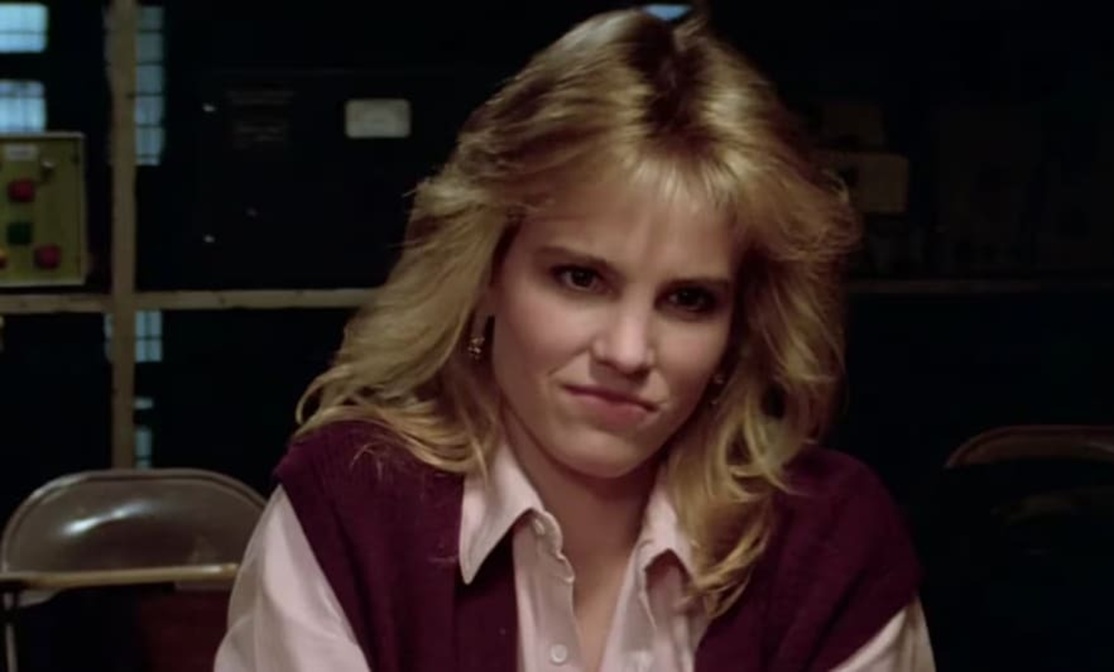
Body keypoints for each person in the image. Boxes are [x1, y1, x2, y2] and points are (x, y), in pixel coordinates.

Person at [214, 8, 934, 672]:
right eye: (581, 278)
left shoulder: (830, 542)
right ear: (485, 276)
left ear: (740, 326)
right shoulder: (352, 509)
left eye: (688, 300)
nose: (628, 352)